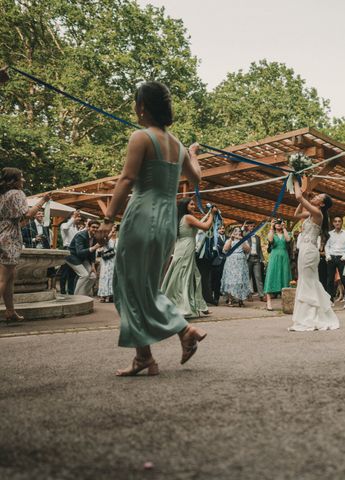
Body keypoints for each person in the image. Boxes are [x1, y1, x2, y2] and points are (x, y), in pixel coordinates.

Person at [97, 81, 207, 376]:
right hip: (166, 222)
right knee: (142, 286)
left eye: (135, 103)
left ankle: (183, 330)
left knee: (127, 286)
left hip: (142, 216)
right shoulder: (179, 146)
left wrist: (108, 219)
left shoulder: (141, 137)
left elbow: (126, 179)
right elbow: (195, 177)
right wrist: (193, 153)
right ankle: (143, 356)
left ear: (142, 106)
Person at [0, 168, 51, 322]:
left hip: (3, 233)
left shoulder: (3, 195)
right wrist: (42, 200)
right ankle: (10, 311)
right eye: (21, 177)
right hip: (9, 239)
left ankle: (10, 312)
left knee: (10, 277)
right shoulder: (16, 193)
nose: (24, 180)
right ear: (13, 181)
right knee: (3, 278)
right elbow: (28, 214)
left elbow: (18, 222)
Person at [288, 179, 339, 332]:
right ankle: (308, 315)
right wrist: (305, 199)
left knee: (307, 281)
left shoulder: (317, 213)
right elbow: (296, 213)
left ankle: (309, 317)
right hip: (304, 249)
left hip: (309, 251)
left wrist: (295, 181)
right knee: (305, 280)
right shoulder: (311, 213)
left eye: (319, 197)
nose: (315, 197)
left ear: (322, 204)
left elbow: (298, 197)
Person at [161, 198, 214, 318]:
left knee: (194, 275)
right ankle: (181, 306)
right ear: (185, 206)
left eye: (194, 204)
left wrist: (208, 214)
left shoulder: (180, 218)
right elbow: (205, 227)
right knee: (184, 276)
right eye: (191, 204)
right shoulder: (188, 218)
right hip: (186, 247)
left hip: (181, 247)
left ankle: (200, 306)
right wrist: (213, 215)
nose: (194, 206)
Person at [324, 216, 345, 309]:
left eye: (339, 221)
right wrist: (328, 256)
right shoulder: (329, 234)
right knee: (329, 280)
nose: (337, 223)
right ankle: (330, 300)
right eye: (335, 221)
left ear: (342, 223)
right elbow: (326, 246)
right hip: (331, 258)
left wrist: (344, 257)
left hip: (342, 258)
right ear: (333, 223)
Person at [67, 219, 101, 297]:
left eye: (97, 228)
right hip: (72, 257)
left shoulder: (95, 237)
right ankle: (77, 298)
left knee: (93, 276)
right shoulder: (80, 235)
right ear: (88, 227)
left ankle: (84, 296)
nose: (95, 229)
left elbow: (92, 253)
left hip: (83, 258)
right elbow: (79, 252)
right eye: (93, 227)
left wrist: (92, 266)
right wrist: (94, 247)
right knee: (84, 275)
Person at [264, 218, 292, 311]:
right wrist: (271, 227)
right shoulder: (272, 233)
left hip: (284, 256)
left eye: (280, 222)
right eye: (277, 222)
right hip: (274, 256)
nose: (279, 224)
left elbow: (288, 240)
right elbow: (270, 239)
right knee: (271, 277)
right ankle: (268, 303)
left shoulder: (286, 233)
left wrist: (284, 228)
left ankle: (286, 303)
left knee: (285, 277)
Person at [221, 226, 252, 306]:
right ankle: (230, 299)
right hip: (231, 262)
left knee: (240, 281)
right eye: (235, 231)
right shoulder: (229, 240)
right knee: (231, 280)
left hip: (241, 262)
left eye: (239, 231)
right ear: (232, 232)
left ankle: (240, 300)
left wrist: (241, 240)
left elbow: (248, 250)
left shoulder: (243, 240)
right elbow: (225, 249)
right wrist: (231, 239)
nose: (237, 233)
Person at [59, 210, 83, 295]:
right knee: (64, 272)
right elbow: (65, 228)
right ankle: (62, 291)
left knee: (72, 273)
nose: (79, 218)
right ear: (71, 217)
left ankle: (71, 291)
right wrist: (73, 217)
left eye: (79, 216)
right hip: (67, 250)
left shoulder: (75, 227)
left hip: (74, 251)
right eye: (77, 216)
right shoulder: (64, 225)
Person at [244, 220, 265, 301]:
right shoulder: (246, 236)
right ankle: (248, 294)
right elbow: (242, 234)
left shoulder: (257, 237)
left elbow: (259, 249)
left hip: (256, 258)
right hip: (248, 258)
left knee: (258, 277)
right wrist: (244, 227)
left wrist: (262, 259)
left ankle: (261, 295)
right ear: (247, 227)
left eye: (253, 226)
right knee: (248, 278)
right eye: (250, 226)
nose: (252, 228)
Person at [97, 224, 118, 302]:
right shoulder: (105, 238)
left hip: (115, 260)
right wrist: (110, 233)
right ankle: (103, 295)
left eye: (115, 229)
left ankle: (111, 295)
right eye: (113, 229)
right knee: (105, 276)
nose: (114, 231)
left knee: (112, 277)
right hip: (106, 260)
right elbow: (102, 243)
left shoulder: (118, 239)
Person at [211, 224, 226, 306]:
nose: (222, 230)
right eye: (220, 229)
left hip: (228, 261)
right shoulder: (214, 238)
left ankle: (228, 298)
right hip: (217, 262)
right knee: (217, 281)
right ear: (217, 230)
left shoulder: (228, 238)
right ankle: (216, 298)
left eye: (223, 228)